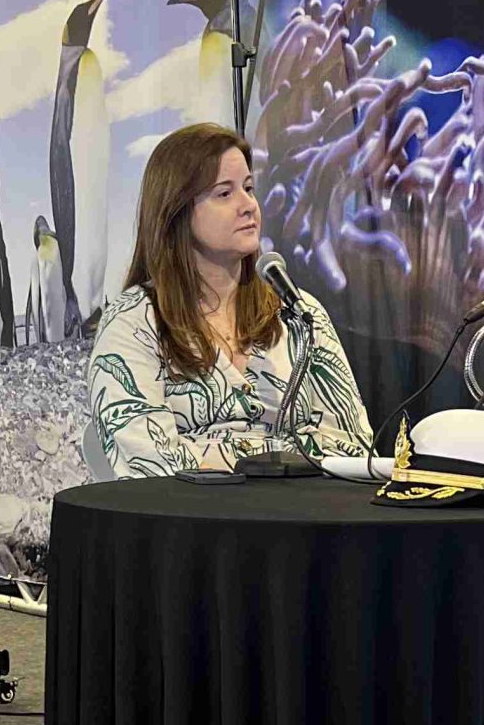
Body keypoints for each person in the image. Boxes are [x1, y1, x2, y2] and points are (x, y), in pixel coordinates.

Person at [90, 125, 372, 475]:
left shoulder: (299, 314)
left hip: (306, 508)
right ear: (176, 211)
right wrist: (283, 458)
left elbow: (355, 446)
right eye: (224, 193)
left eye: (249, 188)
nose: (248, 205)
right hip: (194, 510)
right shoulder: (133, 322)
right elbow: (151, 464)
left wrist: (212, 455)